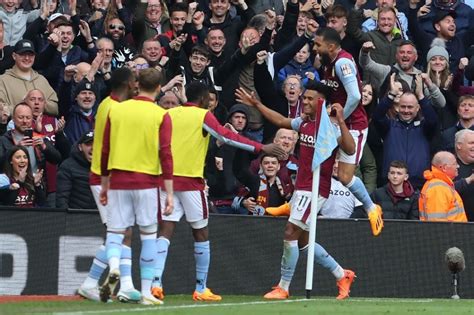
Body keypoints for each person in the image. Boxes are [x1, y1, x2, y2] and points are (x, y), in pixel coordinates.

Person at [151, 81, 285, 302]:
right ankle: (201, 287)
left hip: (166, 180)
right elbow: (226, 135)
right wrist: (262, 147)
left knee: (165, 230)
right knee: (201, 232)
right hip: (192, 182)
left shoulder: (170, 113)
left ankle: (156, 283)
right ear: (204, 99)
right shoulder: (203, 115)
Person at [235, 81, 357, 300]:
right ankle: (342, 274)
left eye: (310, 98)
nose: (305, 101)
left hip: (315, 189)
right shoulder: (304, 123)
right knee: (303, 242)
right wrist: (256, 104)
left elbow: (350, 148)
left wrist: (340, 120)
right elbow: (281, 120)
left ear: (321, 102)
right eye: (305, 97)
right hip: (302, 188)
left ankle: (283, 286)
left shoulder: (329, 128)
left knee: (290, 232)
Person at [99, 68, 174, 305]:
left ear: (137, 84)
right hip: (147, 182)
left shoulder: (117, 110)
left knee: (115, 232)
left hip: (118, 179)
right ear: (160, 88)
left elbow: (105, 149)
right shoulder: (161, 115)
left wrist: (104, 183)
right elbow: (166, 154)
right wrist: (170, 193)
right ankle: (145, 291)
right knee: (148, 235)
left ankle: (113, 267)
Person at [313, 27, 383, 236]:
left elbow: (354, 96)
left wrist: (338, 118)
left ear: (331, 46)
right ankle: (301, 205)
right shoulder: (328, 63)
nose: (315, 48)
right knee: (317, 165)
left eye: (318, 45)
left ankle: (371, 208)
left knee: (344, 176)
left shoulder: (343, 63)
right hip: (335, 123)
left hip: (353, 127)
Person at [78, 68, 140, 303]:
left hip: (108, 175)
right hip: (107, 177)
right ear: (126, 83)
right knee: (119, 231)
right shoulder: (117, 109)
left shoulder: (106, 103)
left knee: (123, 231)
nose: (137, 84)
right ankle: (112, 282)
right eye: (134, 80)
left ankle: (115, 283)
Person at [373, 75, 438, 190]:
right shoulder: (389, 126)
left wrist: (421, 96)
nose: (406, 110)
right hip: (390, 185)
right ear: (398, 107)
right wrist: (391, 95)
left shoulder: (424, 128)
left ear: (417, 108)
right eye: (403, 107)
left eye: (410, 107)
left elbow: (433, 120)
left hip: (418, 185)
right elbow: (377, 116)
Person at [0, 39, 58, 116]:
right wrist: (25, 106)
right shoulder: (3, 80)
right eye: (22, 54)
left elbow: (55, 108)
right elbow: (2, 109)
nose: (27, 58)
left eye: (30, 55)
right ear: (14, 56)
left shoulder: (41, 79)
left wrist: (39, 103)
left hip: (41, 126)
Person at [419, 151, 468, 222]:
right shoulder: (438, 188)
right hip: (451, 232)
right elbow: (437, 223)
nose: (458, 166)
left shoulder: (441, 185)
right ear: (444, 168)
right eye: (455, 164)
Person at [56, 131, 96, 209]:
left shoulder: (107, 167)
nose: (93, 147)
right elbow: (61, 200)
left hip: (100, 218)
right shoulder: (67, 166)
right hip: (75, 218)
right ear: (80, 147)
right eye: (88, 144)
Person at [453, 129, 474, 221]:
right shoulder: (448, 165)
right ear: (459, 145)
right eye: (471, 143)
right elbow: (444, 190)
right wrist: (469, 180)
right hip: (457, 224)